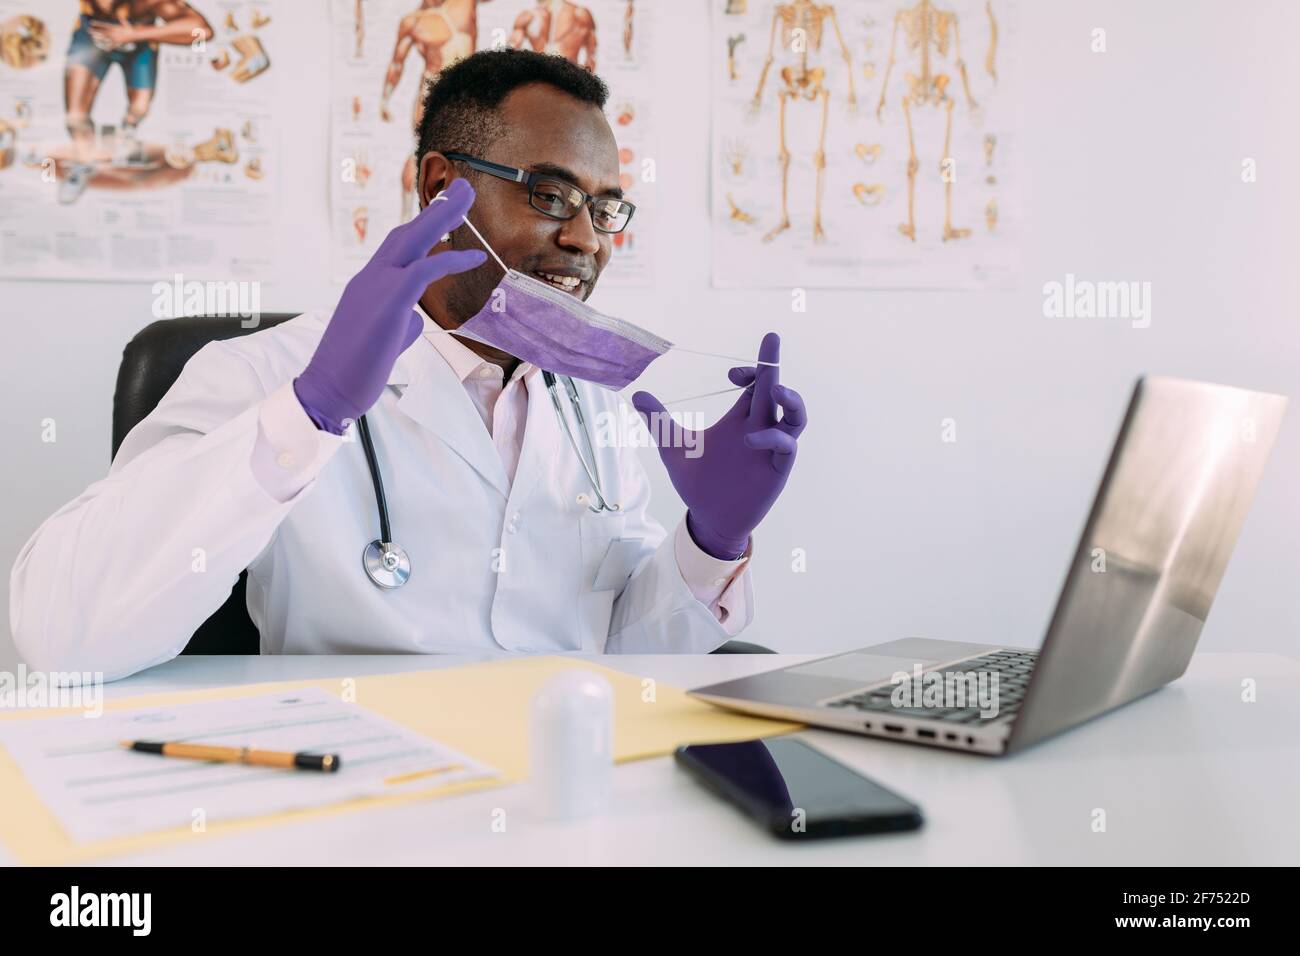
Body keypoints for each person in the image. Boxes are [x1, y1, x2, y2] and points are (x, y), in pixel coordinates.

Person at [10, 50, 806, 680]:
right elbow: (62, 637)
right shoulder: (261, 374)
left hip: (560, 793)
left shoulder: (596, 410)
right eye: (552, 195)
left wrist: (713, 540)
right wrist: (309, 412)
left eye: (604, 208)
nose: (588, 240)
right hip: (357, 792)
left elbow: (620, 658)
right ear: (440, 187)